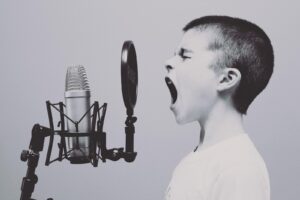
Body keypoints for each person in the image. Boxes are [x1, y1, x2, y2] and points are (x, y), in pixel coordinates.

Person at [164, 15, 274, 200]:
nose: (168, 62)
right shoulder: (197, 160)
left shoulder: (239, 169)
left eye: (184, 56)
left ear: (226, 79)